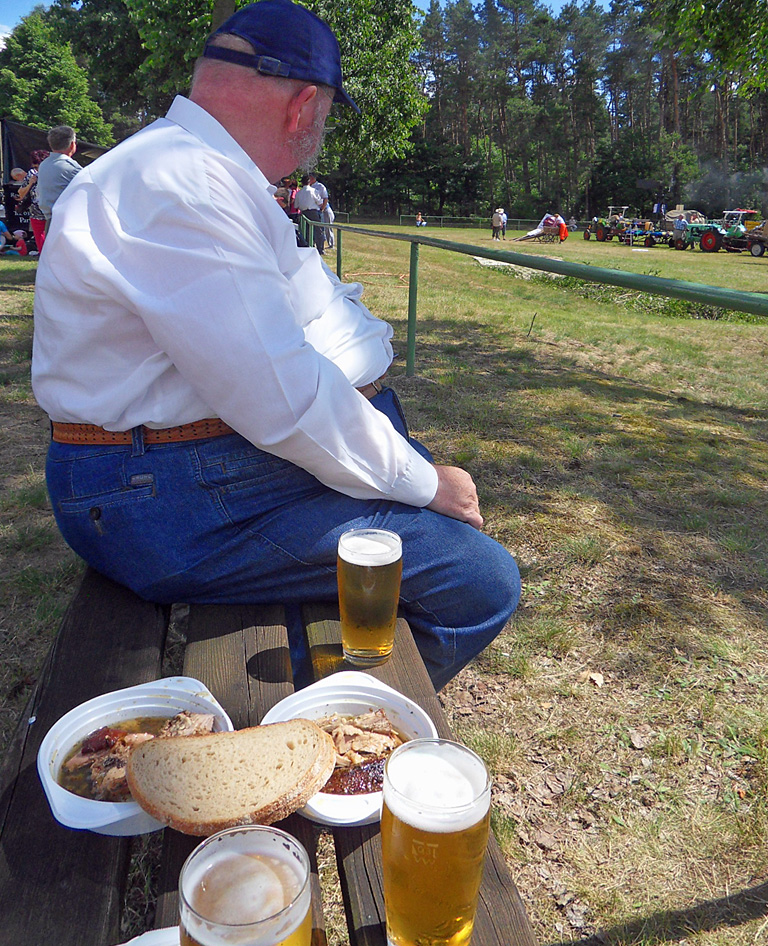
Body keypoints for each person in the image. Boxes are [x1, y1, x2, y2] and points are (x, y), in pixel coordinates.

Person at [31, 0, 520, 691]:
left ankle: (313, 703)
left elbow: (333, 317)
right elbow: (284, 402)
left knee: (392, 465)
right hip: (157, 495)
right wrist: (424, 479)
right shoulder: (184, 184)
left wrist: (384, 432)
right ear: (304, 108)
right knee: (483, 579)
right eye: (324, 118)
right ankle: (298, 733)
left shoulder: (206, 177)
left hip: (168, 472)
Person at [36, 125, 80, 233]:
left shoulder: (44, 164)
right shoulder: (71, 167)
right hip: (68, 224)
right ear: (72, 144)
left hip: (50, 222)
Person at [17, 151, 48, 254]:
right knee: (40, 239)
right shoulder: (32, 174)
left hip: (52, 211)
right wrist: (30, 183)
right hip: (36, 212)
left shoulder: (52, 173)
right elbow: (20, 194)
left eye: (39, 166)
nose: (37, 169)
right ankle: (43, 261)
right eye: (35, 167)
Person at [295, 173, 325, 253]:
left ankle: (308, 247)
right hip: (313, 212)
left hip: (303, 213)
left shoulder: (299, 193)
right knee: (318, 230)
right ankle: (320, 248)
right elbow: (319, 202)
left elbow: (296, 205)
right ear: (309, 182)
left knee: (306, 231)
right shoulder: (314, 191)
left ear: (302, 183)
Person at [308, 171, 332, 248]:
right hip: (316, 210)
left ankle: (331, 244)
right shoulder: (309, 187)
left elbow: (325, 198)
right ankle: (316, 243)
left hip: (324, 209)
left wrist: (322, 209)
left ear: (312, 178)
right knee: (318, 228)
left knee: (327, 227)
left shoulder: (320, 186)